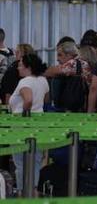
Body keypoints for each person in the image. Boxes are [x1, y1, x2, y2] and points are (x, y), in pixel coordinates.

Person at [8, 53, 48, 193]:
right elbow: (46, 99)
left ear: (27, 67)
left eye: (20, 65)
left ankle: (21, 193)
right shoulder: (43, 80)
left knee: (20, 163)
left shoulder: (25, 82)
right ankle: (33, 191)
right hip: (39, 126)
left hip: (21, 126)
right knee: (35, 162)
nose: (18, 67)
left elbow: (28, 100)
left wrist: (25, 114)